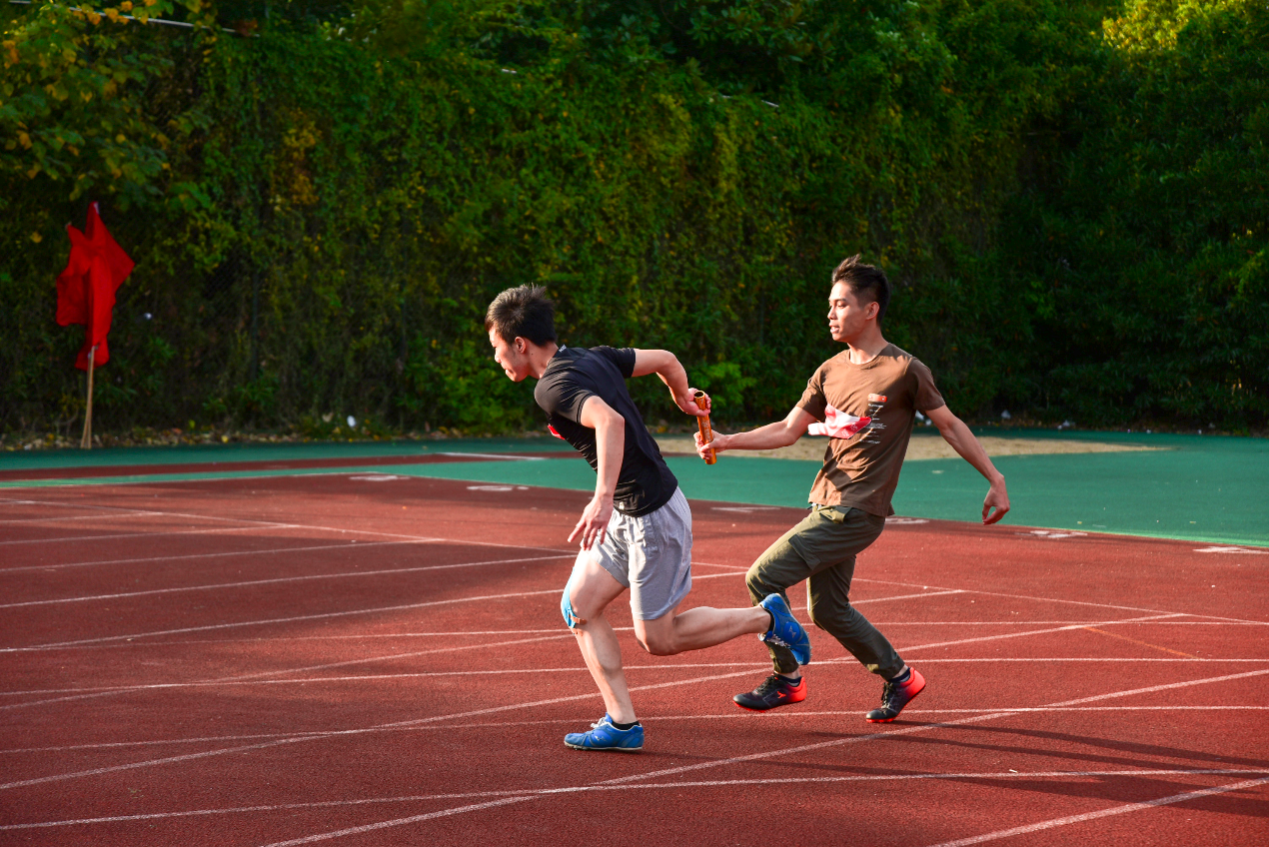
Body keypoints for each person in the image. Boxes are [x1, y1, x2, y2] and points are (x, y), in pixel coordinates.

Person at [485, 284, 811, 752]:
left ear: (519, 343)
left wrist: (600, 498)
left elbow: (610, 422)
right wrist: (682, 397)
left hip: (652, 514)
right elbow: (666, 359)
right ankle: (622, 724)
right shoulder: (593, 357)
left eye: (496, 347)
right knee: (579, 607)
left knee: (658, 639)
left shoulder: (552, 387)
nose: (496, 358)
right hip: (626, 512)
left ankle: (766, 618)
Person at [695, 255, 1010, 722]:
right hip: (825, 503)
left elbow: (950, 425)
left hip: (857, 510)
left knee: (762, 577)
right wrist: (726, 440)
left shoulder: (905, 370)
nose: (830, 314)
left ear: (871, 309)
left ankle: (787, 678)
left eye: (840, 304)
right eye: (830, 305)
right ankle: (900, 677)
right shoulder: (828, 371)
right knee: (828, 610)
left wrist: (995, 479)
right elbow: (787, 430)